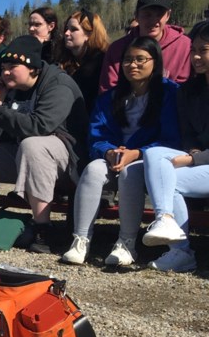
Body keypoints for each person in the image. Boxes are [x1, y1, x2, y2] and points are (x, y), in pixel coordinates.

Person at [0, 35, 89, 252]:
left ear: (32, 67)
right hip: (25, 155)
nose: (5, 72)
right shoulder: (12, 87)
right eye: (3, 67)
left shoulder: (58, 85)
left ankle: (44, 228)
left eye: (13, 66)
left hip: (67, 161)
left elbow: (40, 126)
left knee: (33, 144)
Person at [61, 37, 179, 266]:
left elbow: (170, 138)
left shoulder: (169, 94)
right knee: (93, 170)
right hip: (114, 156)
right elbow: (96, 135)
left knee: (130, 173)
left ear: (155, 61)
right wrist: (109, 152)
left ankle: (126, 243)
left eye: (140, 59)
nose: (132, 65)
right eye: (127, 60)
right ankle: (81, 239)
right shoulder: (110, 97)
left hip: (148, 160)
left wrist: (136, 153)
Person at [141, 21, 209, 272]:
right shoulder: (189, 91)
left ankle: (178, 246)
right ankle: (168, 224)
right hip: (202, 162)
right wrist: (192, 152)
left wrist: (194, 159)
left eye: (204, 50)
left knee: (172, 180)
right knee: (156, 154)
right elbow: (188, 133)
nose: (196, 56)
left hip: (202, 163)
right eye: (193, 50)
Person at [101, 0, 192, 91]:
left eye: (159, 14)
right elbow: (108, 90)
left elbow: (185, 89)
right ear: (136, 16)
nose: (153, 21)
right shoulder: (117, 48)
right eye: (147, 14)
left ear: (168, 15)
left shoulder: (184, 45)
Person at [57, 9, 110, 114]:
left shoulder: (102, 63)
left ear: (89, 34)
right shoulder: (62, 62)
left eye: (74, 29)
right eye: (66, 29)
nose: (66, 33)